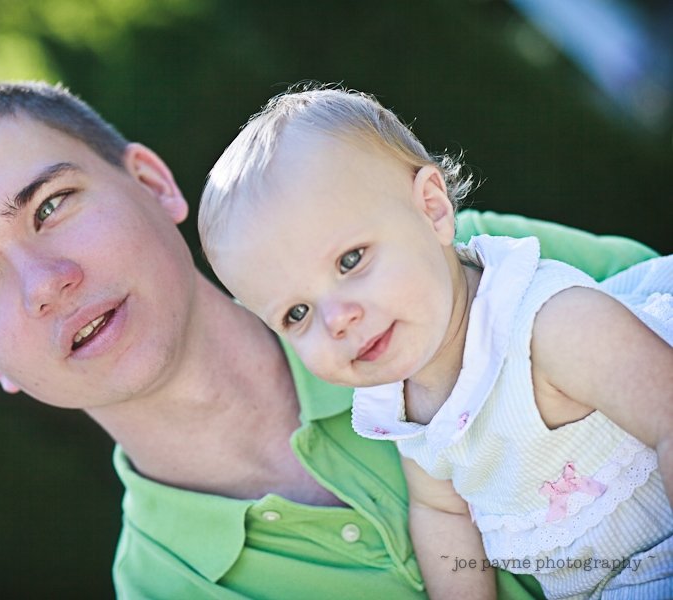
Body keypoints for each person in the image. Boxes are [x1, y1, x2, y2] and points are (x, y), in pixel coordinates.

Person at [0, 81, 660, 599]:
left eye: (50, 206)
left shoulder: (460, 274)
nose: (45, 284)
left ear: (153, 184)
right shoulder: (164, 590)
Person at [197, 85, 673, 599]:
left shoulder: (547, 325)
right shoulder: (403, 405)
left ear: (432, 209)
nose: (337, 320)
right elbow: (441, 511)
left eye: (350, 260)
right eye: (297, 313)